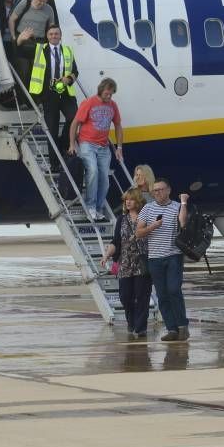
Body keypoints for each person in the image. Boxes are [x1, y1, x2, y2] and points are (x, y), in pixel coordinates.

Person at [135, 179, 190, 342]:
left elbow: (183, 222)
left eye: (160, 189)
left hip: (173, 255)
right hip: (154, 257)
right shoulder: (147, 208)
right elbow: (139, 233)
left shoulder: (176, 206)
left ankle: (182, 326)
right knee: (162, 294)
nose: (157, 193)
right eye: (155, 190)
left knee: (174, 289)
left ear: (168, 190)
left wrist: (184, 202)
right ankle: (171, 328)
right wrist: (153, 226)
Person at [67, 77, 124, 221]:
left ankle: (98, 209)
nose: (109, 96)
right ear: (101, 90)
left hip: (104, 147)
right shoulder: (89, 103)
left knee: (104, 179)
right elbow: (75, 123)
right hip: (87, 144)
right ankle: (90, 207)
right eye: (107, 93)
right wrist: (72, 144)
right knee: (92, 171)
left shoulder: (113, 106)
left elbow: (117, 125)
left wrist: (119, 147)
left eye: (111, 94)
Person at [101, 188, 152, 338]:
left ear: (138, 201)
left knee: (142, 296)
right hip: (125, 263)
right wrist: (106, 256)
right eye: (126, 200)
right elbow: (115, 241)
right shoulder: (121, 219)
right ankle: (131, 321)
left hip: (142, 262)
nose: (128, 202)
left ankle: (141, 327)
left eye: (131, 199)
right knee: (125, 296)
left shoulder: (146, 217)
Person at [29, 25, 79, 170]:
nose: (54, 36)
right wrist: (19, 39)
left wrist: (69, 79)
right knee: (52, 129)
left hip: (65, 93)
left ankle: (63, 144)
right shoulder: (40, 49)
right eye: (51, 34)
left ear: (60, 35)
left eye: (56, 34)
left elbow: (75, 71)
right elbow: (20, 50)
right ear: (47, 36)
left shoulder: (67, 51)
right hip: (48, 95)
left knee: (74, 117)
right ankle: (54, 163)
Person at [8, 0, 55, 85]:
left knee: (37, 75)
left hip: (39, 43)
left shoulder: (49, 9)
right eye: (40, 0)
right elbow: (12, 19)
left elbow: (51, 27)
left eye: (45, 1)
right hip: (22, 41)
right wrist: (13, 37)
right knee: (23, 72)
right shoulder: (25, 3)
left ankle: (36, 98)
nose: (42, 3)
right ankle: (22, 97)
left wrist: (51, 43)